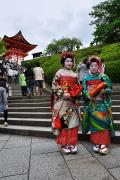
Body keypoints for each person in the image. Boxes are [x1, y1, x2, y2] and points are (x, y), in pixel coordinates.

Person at [82, 56, 114, 155]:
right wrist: (88, 96)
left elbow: (110, 89)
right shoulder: (86, 78)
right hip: (92, 105)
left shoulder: (103, 76)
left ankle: (103, 144)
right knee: (94, 125)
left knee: (103, 123)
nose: (94, 67)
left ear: (99, 66)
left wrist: (105, 91)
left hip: (102, 104)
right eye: (92, 65)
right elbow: (84, 90)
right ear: (89, 67)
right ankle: (96, 143)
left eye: (96, 65)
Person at [51, 51, 82, 154]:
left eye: (71, 61)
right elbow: (54, 86)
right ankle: (64, 144)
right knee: (64, 123)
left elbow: (78, 86)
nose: (69, 63)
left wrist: (77, 93)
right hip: (63, 102)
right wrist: (62, 93)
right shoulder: (59, 73)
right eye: (67, 61)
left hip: (72, 102)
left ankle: (72, 144)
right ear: (63, 62)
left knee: (73, 124)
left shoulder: (75, 74)